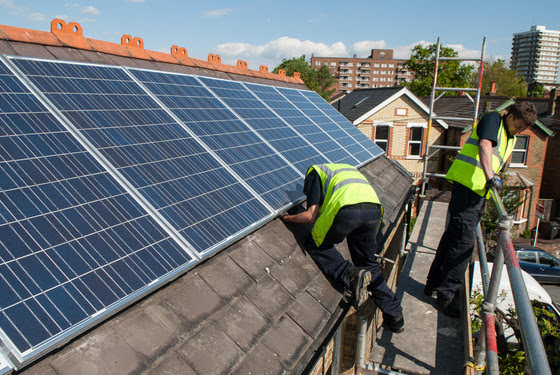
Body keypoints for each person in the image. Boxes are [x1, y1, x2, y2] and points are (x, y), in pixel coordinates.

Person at [425, 102, 537, 318]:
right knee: (464, 245)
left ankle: (433, 284)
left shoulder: (510, 137)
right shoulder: (493, 119)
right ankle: (446, 294)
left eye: (524, 129)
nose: (519, 131)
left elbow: (498, 160)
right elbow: (484, 145)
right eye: (519, 125)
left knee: (453, 239)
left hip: (477, 194)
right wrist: (490, 177)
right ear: (510, 115)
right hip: (468, 189)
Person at [282, 163, 404, 333]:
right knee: (368, 264)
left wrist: (289, 218)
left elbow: (311, 215)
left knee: (316, 243)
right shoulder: (344, 169)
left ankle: (349, 275)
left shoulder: (313, 173)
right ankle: (395, 315)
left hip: (347, 210)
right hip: (373, 211)